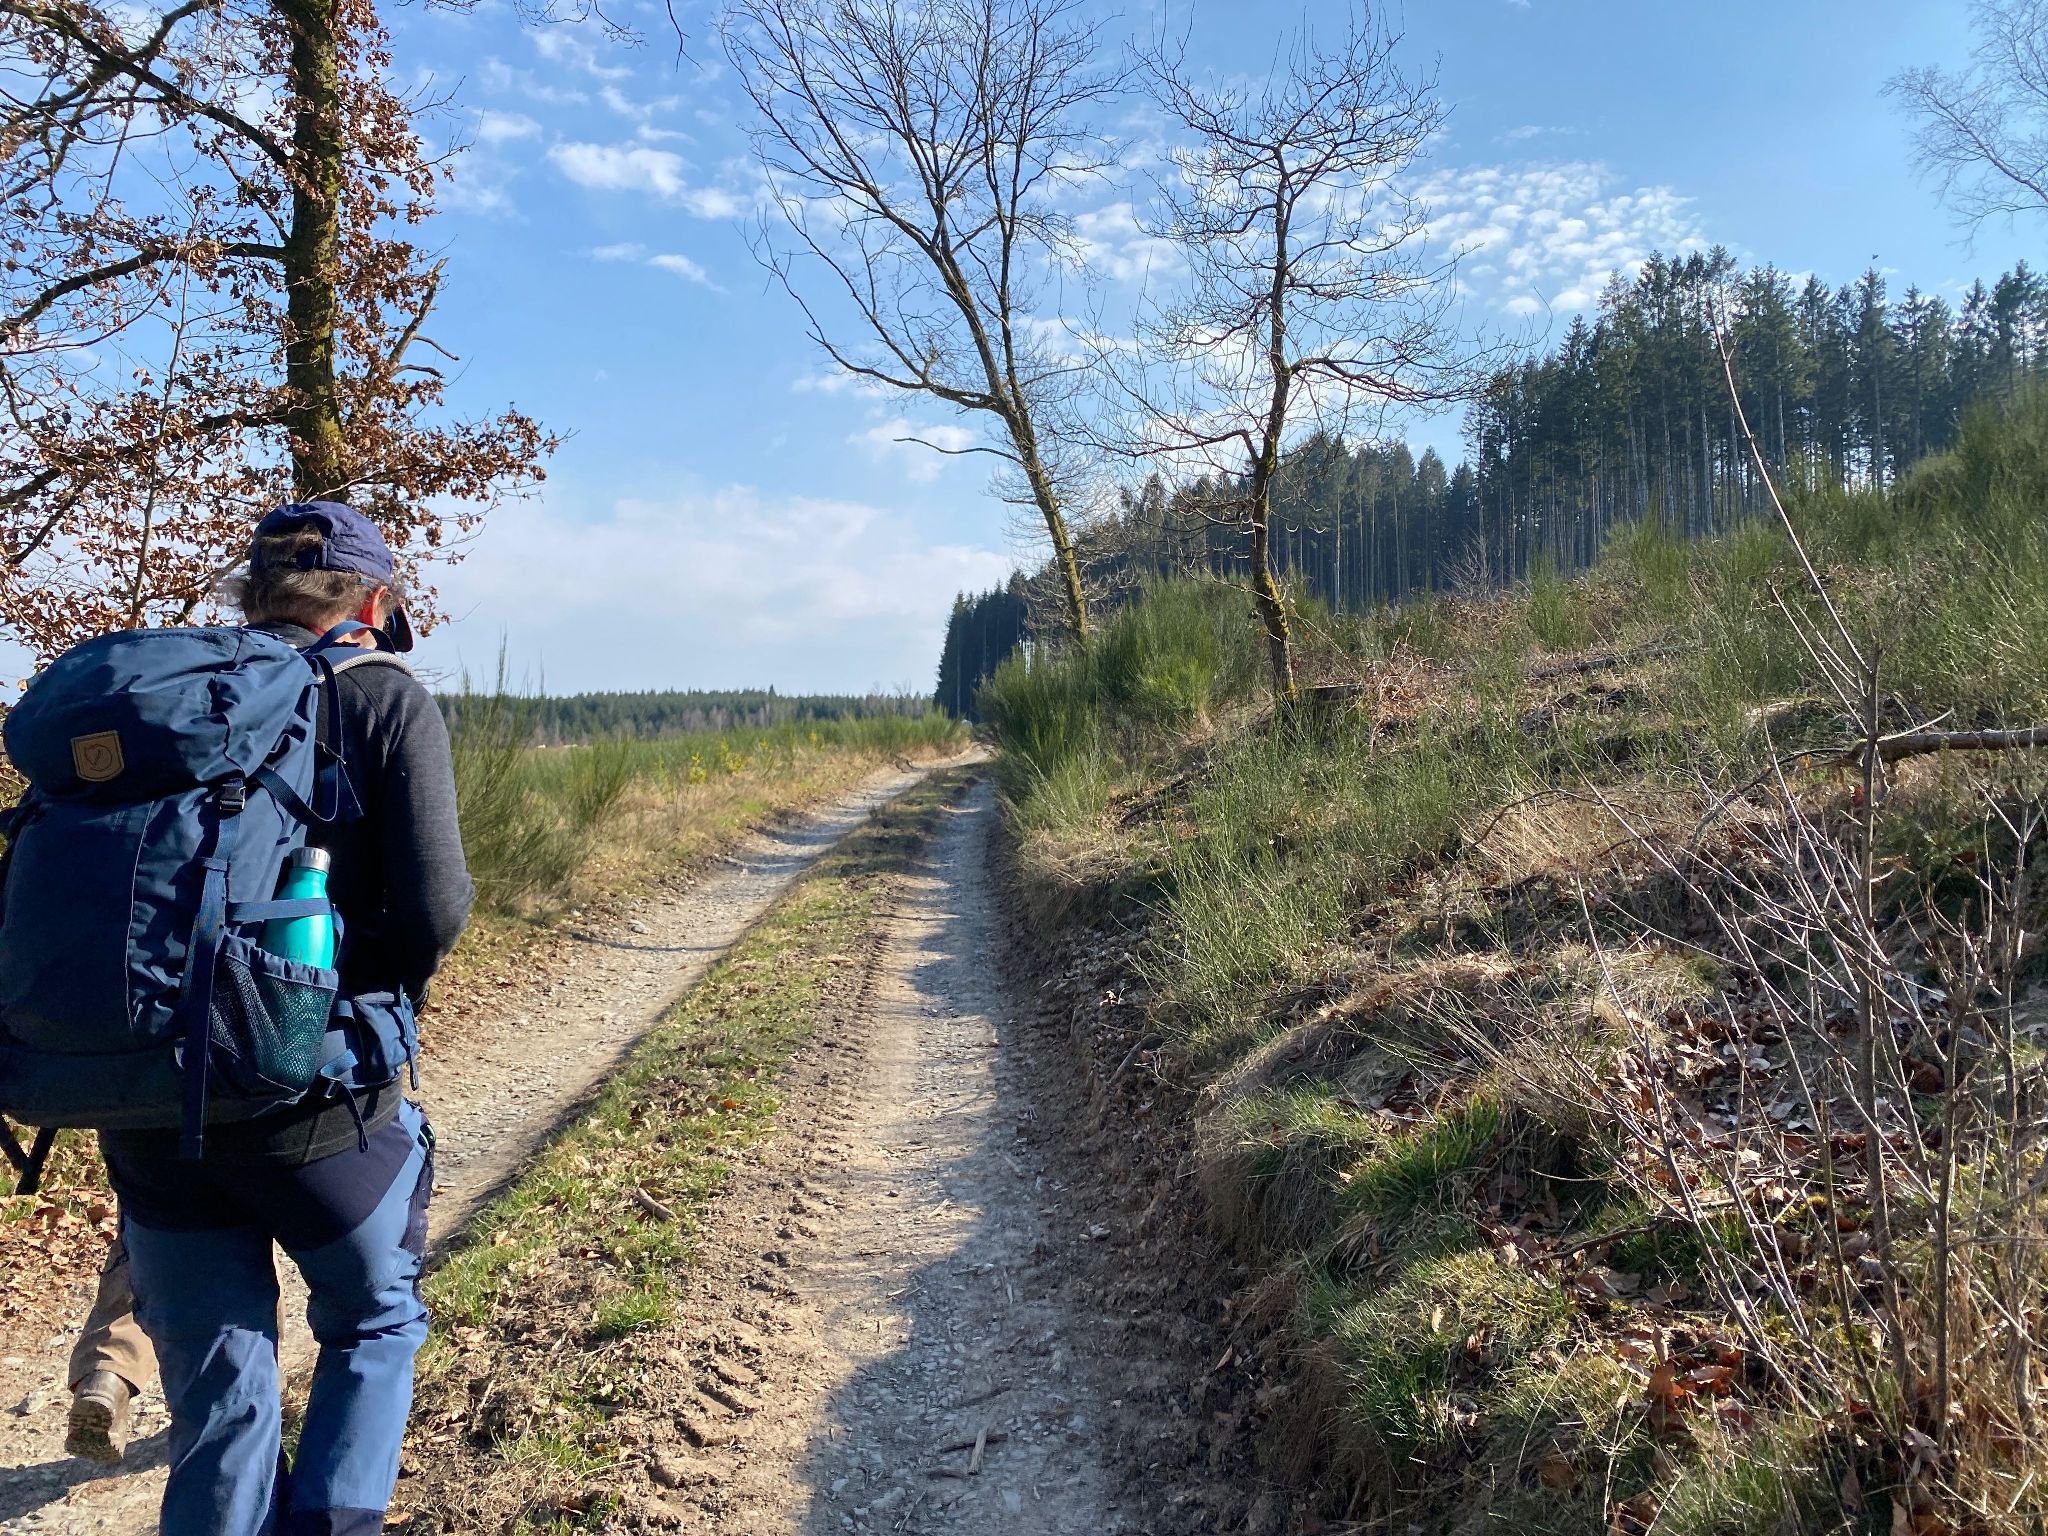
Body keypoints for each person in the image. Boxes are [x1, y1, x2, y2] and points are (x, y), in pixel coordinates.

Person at [88, 501, 473, 1535]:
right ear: (375, 603)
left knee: (220, 1393)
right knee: (372, 1321)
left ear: (251, 597)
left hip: (149, 1103)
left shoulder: (168, 703)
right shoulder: (381, 695)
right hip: (316, 1104)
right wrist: (369, 997)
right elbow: (436, 906)